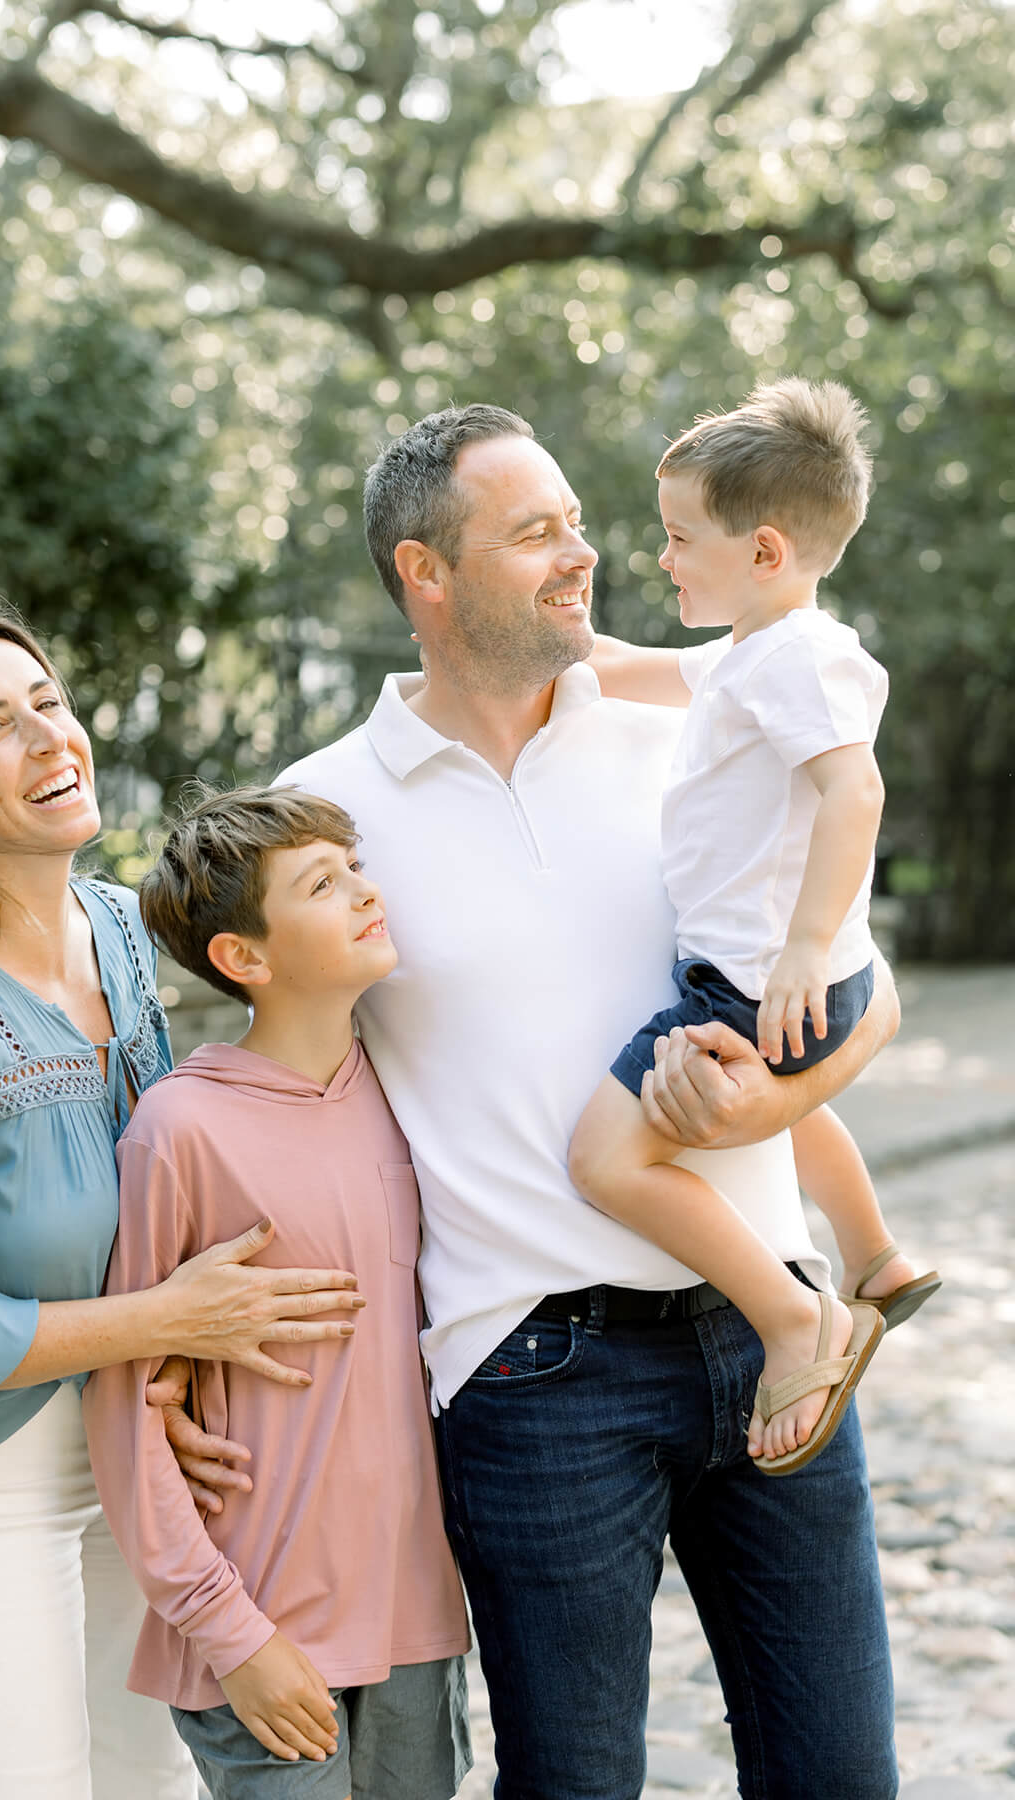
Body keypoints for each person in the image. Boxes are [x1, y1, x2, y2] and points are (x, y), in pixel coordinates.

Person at [232, 403, 898, 1800]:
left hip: (775, 1329)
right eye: (535, 531)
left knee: (842, 1778)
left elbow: (861, 988)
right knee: (574, 1786)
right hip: (537, 1377)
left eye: (580, 522)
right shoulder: (322, 815)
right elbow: (288, 1107)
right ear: (425, 570)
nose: (584, 554)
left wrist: (773, 1109)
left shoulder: (702, 726)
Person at [0, 593, 366, 1800]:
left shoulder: (120, 929)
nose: (51, 739)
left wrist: (162, 1381)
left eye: (51, 704)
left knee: (150, 1789)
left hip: (135, 1449)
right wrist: (163, 1325)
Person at [568, 378, 939, 1473]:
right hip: (763, 973)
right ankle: (872, 1258)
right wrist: (540, 631)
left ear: (766, 551)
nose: (665, 560)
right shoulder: (749, 653)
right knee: (784, 1115)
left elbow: (855, 793)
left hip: (759, 981)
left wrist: (805, 950)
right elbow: (624, 671)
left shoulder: (796, 659)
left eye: (681, 539)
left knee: (604, 1158)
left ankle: (797, 1319)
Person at [83, 784, 472, 1800]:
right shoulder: (181, 1129)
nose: (362, 892)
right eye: (321, 883)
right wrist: (228, 1631)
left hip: (414, 1620)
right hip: (258, 1628)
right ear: (244, 958)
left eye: (354, 869)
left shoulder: (412, 1093)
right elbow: (128, 1404)